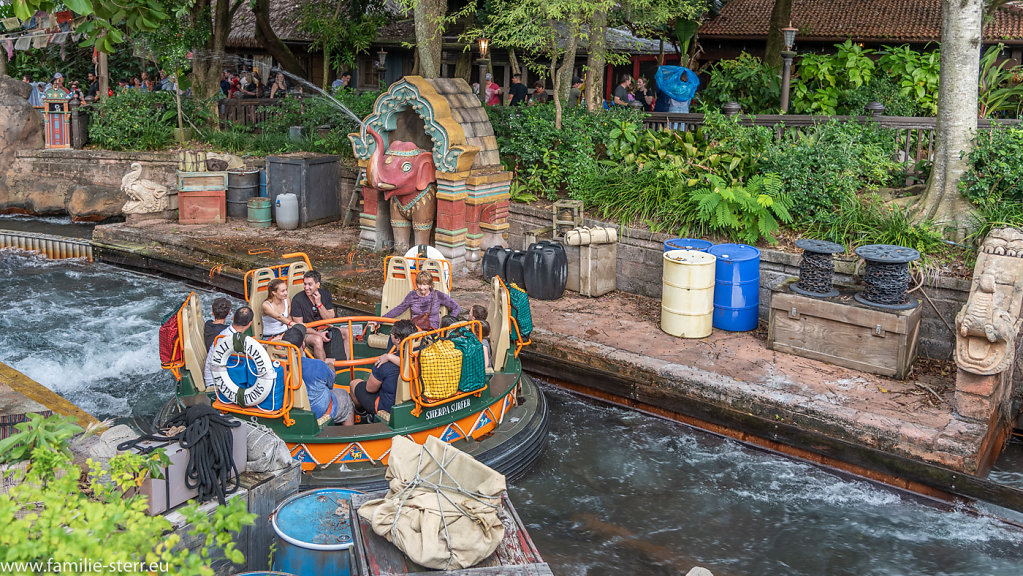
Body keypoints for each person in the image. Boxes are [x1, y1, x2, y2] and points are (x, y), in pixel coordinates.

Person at [281, 328, 354, 425]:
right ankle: (349, 435)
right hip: (316, 412)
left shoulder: (275, 365)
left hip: (287, 410)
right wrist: (330, 364)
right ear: (303, 344)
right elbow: (331, 382)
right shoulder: (319, 365)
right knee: (345, 397)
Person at [350, 320, 417, 416]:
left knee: (354, 383)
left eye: (392, 333)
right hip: (411, 400)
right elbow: (408, 363)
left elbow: (370, 389)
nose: (390, 334)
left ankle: (362, 412)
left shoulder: (384, 365)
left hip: (387, 407)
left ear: (398, 340)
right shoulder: (419, 356)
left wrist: (388, 357)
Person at [291, 270, 348, 362]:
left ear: (318, 284)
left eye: (310, 284)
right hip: (307, 332)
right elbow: (299, 326)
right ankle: (324, 371)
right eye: (305, 284)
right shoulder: (297, 299)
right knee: (317, 340)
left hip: (325, 327)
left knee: (346, 332)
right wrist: (318, 334)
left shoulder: (325, 294)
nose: (306, 287)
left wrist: (319, 303)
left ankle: (346, 365)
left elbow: (330, 318)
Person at [373, 271, 461, 332]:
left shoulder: (437, 295)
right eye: (419, 284)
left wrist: (448, 324)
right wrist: (378, 321)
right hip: (415, 328)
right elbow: (399, 309)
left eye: (424, 284)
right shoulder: (412, 295)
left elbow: (456, 307)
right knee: (395, 335)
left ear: (430, 285)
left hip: (432, 330)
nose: (421, 287)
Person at [203, 306, 254, 389]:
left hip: (214, 376)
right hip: (215, 382)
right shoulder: (233, 340)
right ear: (250, 323)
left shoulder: (225, 334)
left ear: (233, 318)